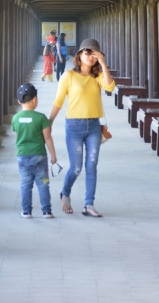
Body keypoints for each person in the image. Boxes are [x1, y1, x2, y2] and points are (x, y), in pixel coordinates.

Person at [48, 38, 115, 217]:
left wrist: (103, 63)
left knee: (92, 166)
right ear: (79, 55)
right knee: (76, 167)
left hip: (93, 125)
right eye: (87, 53)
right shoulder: (69, 75)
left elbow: (110, 85)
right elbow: (58, 101)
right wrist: (49, 122)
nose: (90, 57)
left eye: (95, 54)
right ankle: (65, 192)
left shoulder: (97, 76)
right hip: (74, 126)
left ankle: (89, 204)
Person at [12, 83, 58, 219]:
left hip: (22, 157)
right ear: (35, 100)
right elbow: (48, 137)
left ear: (19, 101)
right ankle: (46, 211)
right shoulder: (41, 118)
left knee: (25, 184)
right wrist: (53, 155)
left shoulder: (15, 118)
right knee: (43, 184)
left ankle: (26, 211)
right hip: (39, 157)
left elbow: (17, 135)